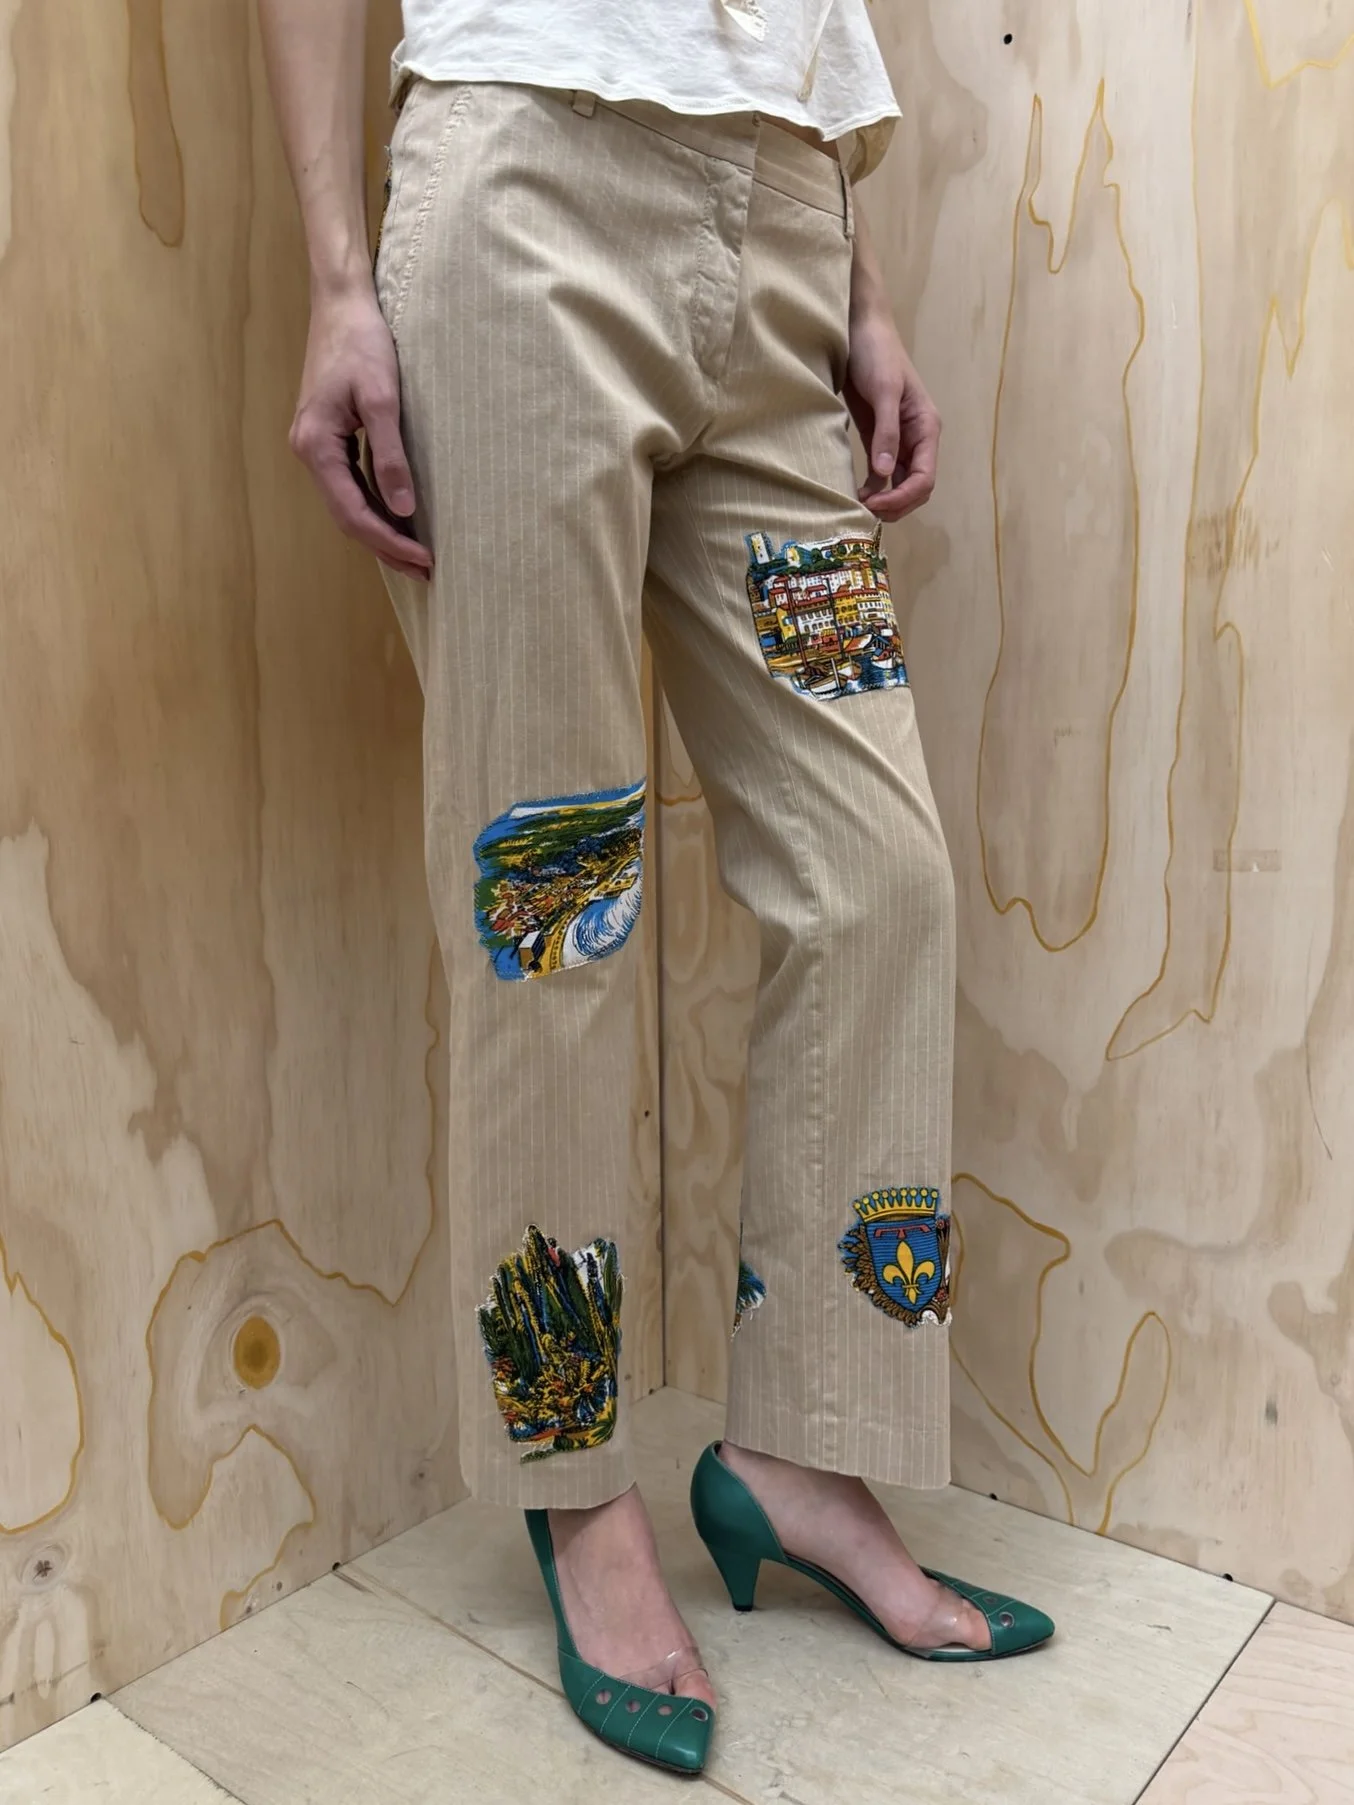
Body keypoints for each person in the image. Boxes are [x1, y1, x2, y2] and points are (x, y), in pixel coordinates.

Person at [259, 0, 1053, 1776]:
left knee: (881, 884)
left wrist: (857, 281)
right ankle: (576, 1487)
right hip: (523, 194)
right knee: (556, 899)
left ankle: (796, 1451)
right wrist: (334, 279)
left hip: (779, 229)